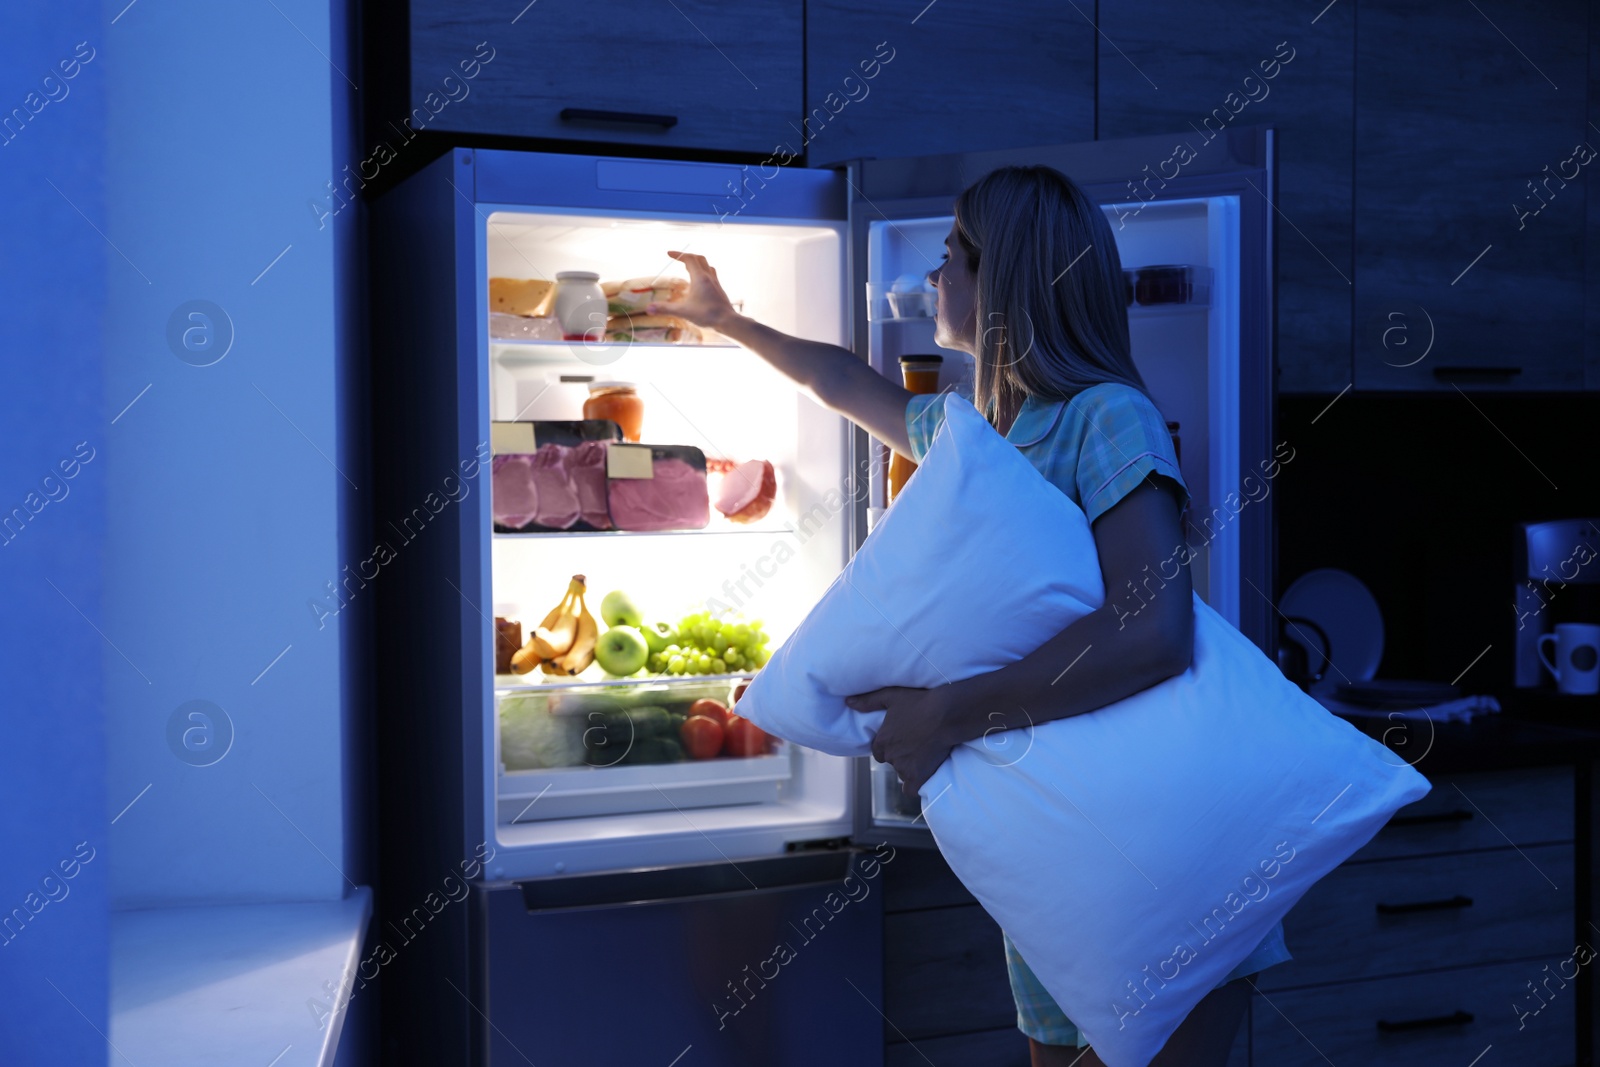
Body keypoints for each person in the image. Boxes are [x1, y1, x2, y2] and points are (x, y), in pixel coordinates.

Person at [650, 163, 1290, 1067]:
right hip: (1049, 855)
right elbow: (843, 381)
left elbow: (1156, 631)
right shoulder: (979, 433)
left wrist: (950, 711)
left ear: (1009, 284)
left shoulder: (1108, 419)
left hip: (1151, 855)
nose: (931, 278)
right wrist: (727, 321)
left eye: (952, 256)